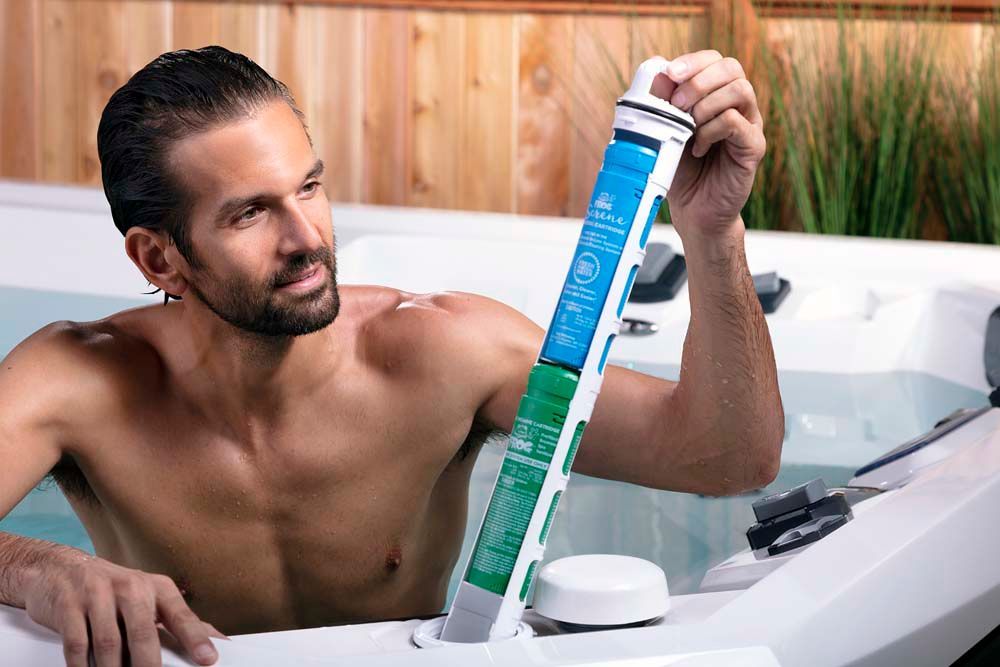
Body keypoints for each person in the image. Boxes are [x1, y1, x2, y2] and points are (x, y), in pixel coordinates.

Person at [0, 46, 782, 667]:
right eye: (250, 213)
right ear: (160, 259)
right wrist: (44, 569)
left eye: (309, 187)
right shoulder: (79, 380)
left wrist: (712, 231)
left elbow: (729, 458)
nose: (306, 237)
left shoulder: (442, 351)